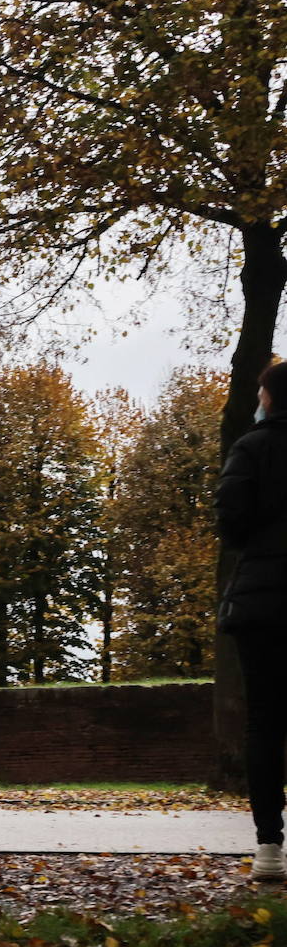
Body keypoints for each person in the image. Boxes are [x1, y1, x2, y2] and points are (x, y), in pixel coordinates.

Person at [215, 360, 287, 881]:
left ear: (268, 397)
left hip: (265, 600)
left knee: (265, 723)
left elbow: (231, 523)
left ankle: (269, 848)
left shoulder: (252, 447)